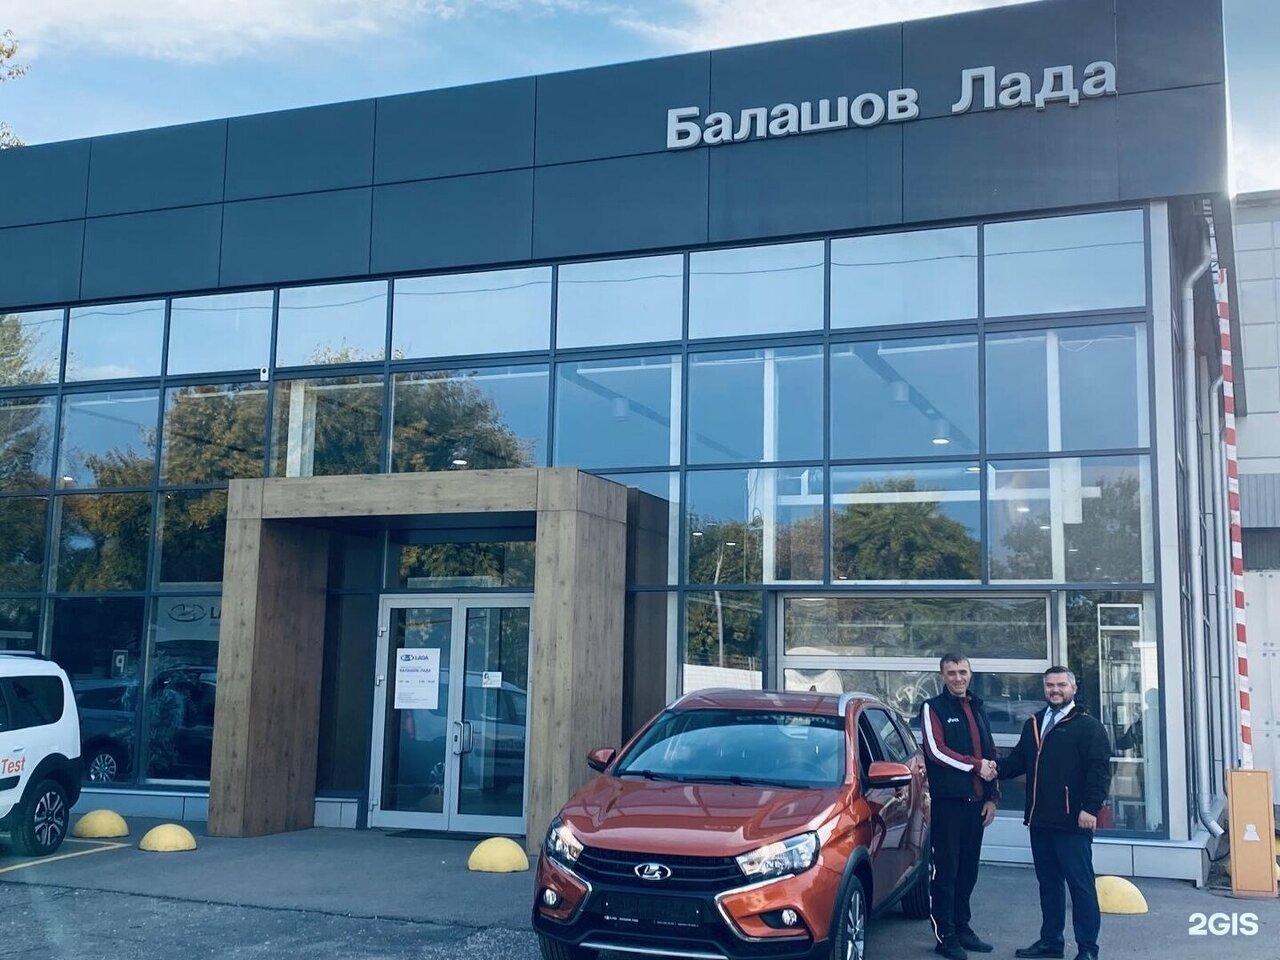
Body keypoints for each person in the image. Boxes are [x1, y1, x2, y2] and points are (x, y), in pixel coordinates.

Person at [998, 667, 1112, 960]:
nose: (1055, 689)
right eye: (1050, 685)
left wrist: (1090, 808)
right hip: (1040, 821)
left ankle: (1088, 949)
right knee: (1049, 885)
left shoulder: (1089, 727)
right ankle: (1051, 942)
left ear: (1073, 688)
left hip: (1073, 822)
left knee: (1081, 887)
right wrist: (989, 768)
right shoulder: (1034, 723)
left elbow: (1099, 771)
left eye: (1061, 684)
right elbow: (1017, 762)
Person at [919, 654, 1000, 960]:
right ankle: (946, 936)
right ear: (943, 676)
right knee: (946, 872)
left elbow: (990, 751)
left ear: (970, 674)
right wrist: (975, 766)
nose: (957, 677)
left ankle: (963, 928)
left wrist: (992, 797)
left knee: (968, 871)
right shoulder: (933, 708)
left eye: (962, 672)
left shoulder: (977, 707)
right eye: (951, 672)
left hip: (976, 805)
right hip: (948, 805)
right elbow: (936, 751)